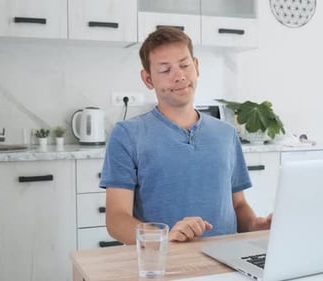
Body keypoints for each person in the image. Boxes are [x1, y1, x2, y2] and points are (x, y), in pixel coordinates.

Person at [100, 27, 272, 245]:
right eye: (165, 70)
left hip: (226, 261)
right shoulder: (126, 135)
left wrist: (256, 226)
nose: (179, 76)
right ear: (148, 79)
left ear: (196, 67)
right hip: (163, 264)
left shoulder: (226, 133)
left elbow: (238, 206)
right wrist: (163, 238)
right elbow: (116, 219)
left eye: (184, 65)